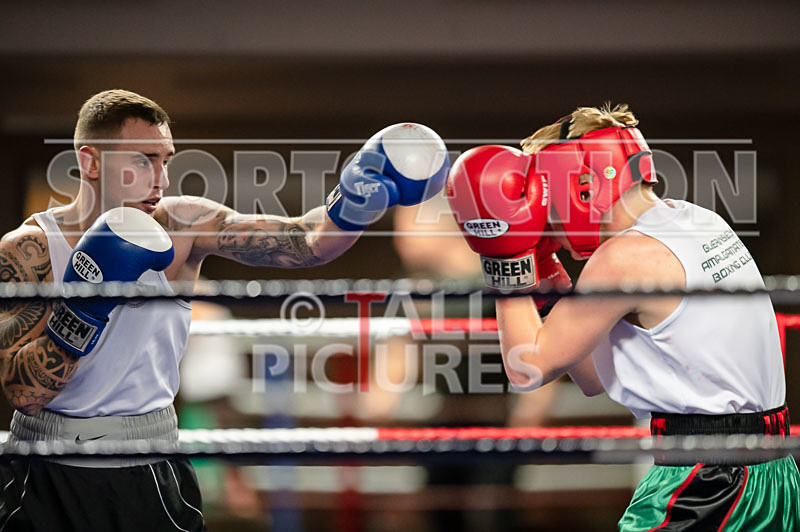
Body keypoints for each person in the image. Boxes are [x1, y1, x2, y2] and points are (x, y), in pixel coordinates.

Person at [0, 89, 449, 531]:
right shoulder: (29, 251)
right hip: (45, 467)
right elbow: (24, 395)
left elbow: (303, 243)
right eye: (141, 160)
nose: (160, 178)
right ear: (91, 161)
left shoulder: (182, 225)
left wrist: (353, 201)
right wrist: (85, 306)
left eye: (165, 160)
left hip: (148, 462)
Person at [447, 104, 800, 530]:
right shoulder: (696, 221)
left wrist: (504, 257)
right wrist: (542, 267)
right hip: (771, 472)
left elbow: (527, 368)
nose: (546, 219)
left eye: (545, 199)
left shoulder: (624, 256)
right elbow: (592, 375)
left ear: (580, 185)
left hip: (707, 480)